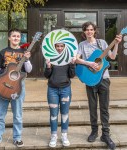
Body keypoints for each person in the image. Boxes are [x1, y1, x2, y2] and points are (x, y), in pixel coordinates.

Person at [76, 21, 122, 150]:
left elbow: (112, 56)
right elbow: (76, 59)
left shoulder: (102, 43)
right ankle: (94, 131)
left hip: (104, 79)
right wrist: (89, 63)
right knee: (92, 106)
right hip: (90, 79)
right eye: (87, 30)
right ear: (84, 32)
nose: (89, 32)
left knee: (104, 108)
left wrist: (117, 44)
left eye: (91, 29)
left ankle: (106, 135)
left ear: (94, 31)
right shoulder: (81, 45)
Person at [0, 28, 32, 150]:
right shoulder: (3, 52)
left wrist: (27, 59)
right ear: (9, 38)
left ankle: (17, 138)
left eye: (18, 36)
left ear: (20, 38)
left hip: (18, 87)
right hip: (2, 85)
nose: (16, 38)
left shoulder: (24, 52)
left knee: (18, 114)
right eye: (13, 36)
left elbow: (28, 70)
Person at [44, 42, 76, 148]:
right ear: (54, 47)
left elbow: (72, 75)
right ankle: (53, 136)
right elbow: (46, 75)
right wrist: (48, 66)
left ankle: (64, 135)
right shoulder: (51, 58)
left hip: (65, 89)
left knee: (65, 114)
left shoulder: (68, 59)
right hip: (52, 90)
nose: (59, 48)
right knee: (53, 114)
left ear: (64, 47)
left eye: (61, 46)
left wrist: (72, 65)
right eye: (57, 46)